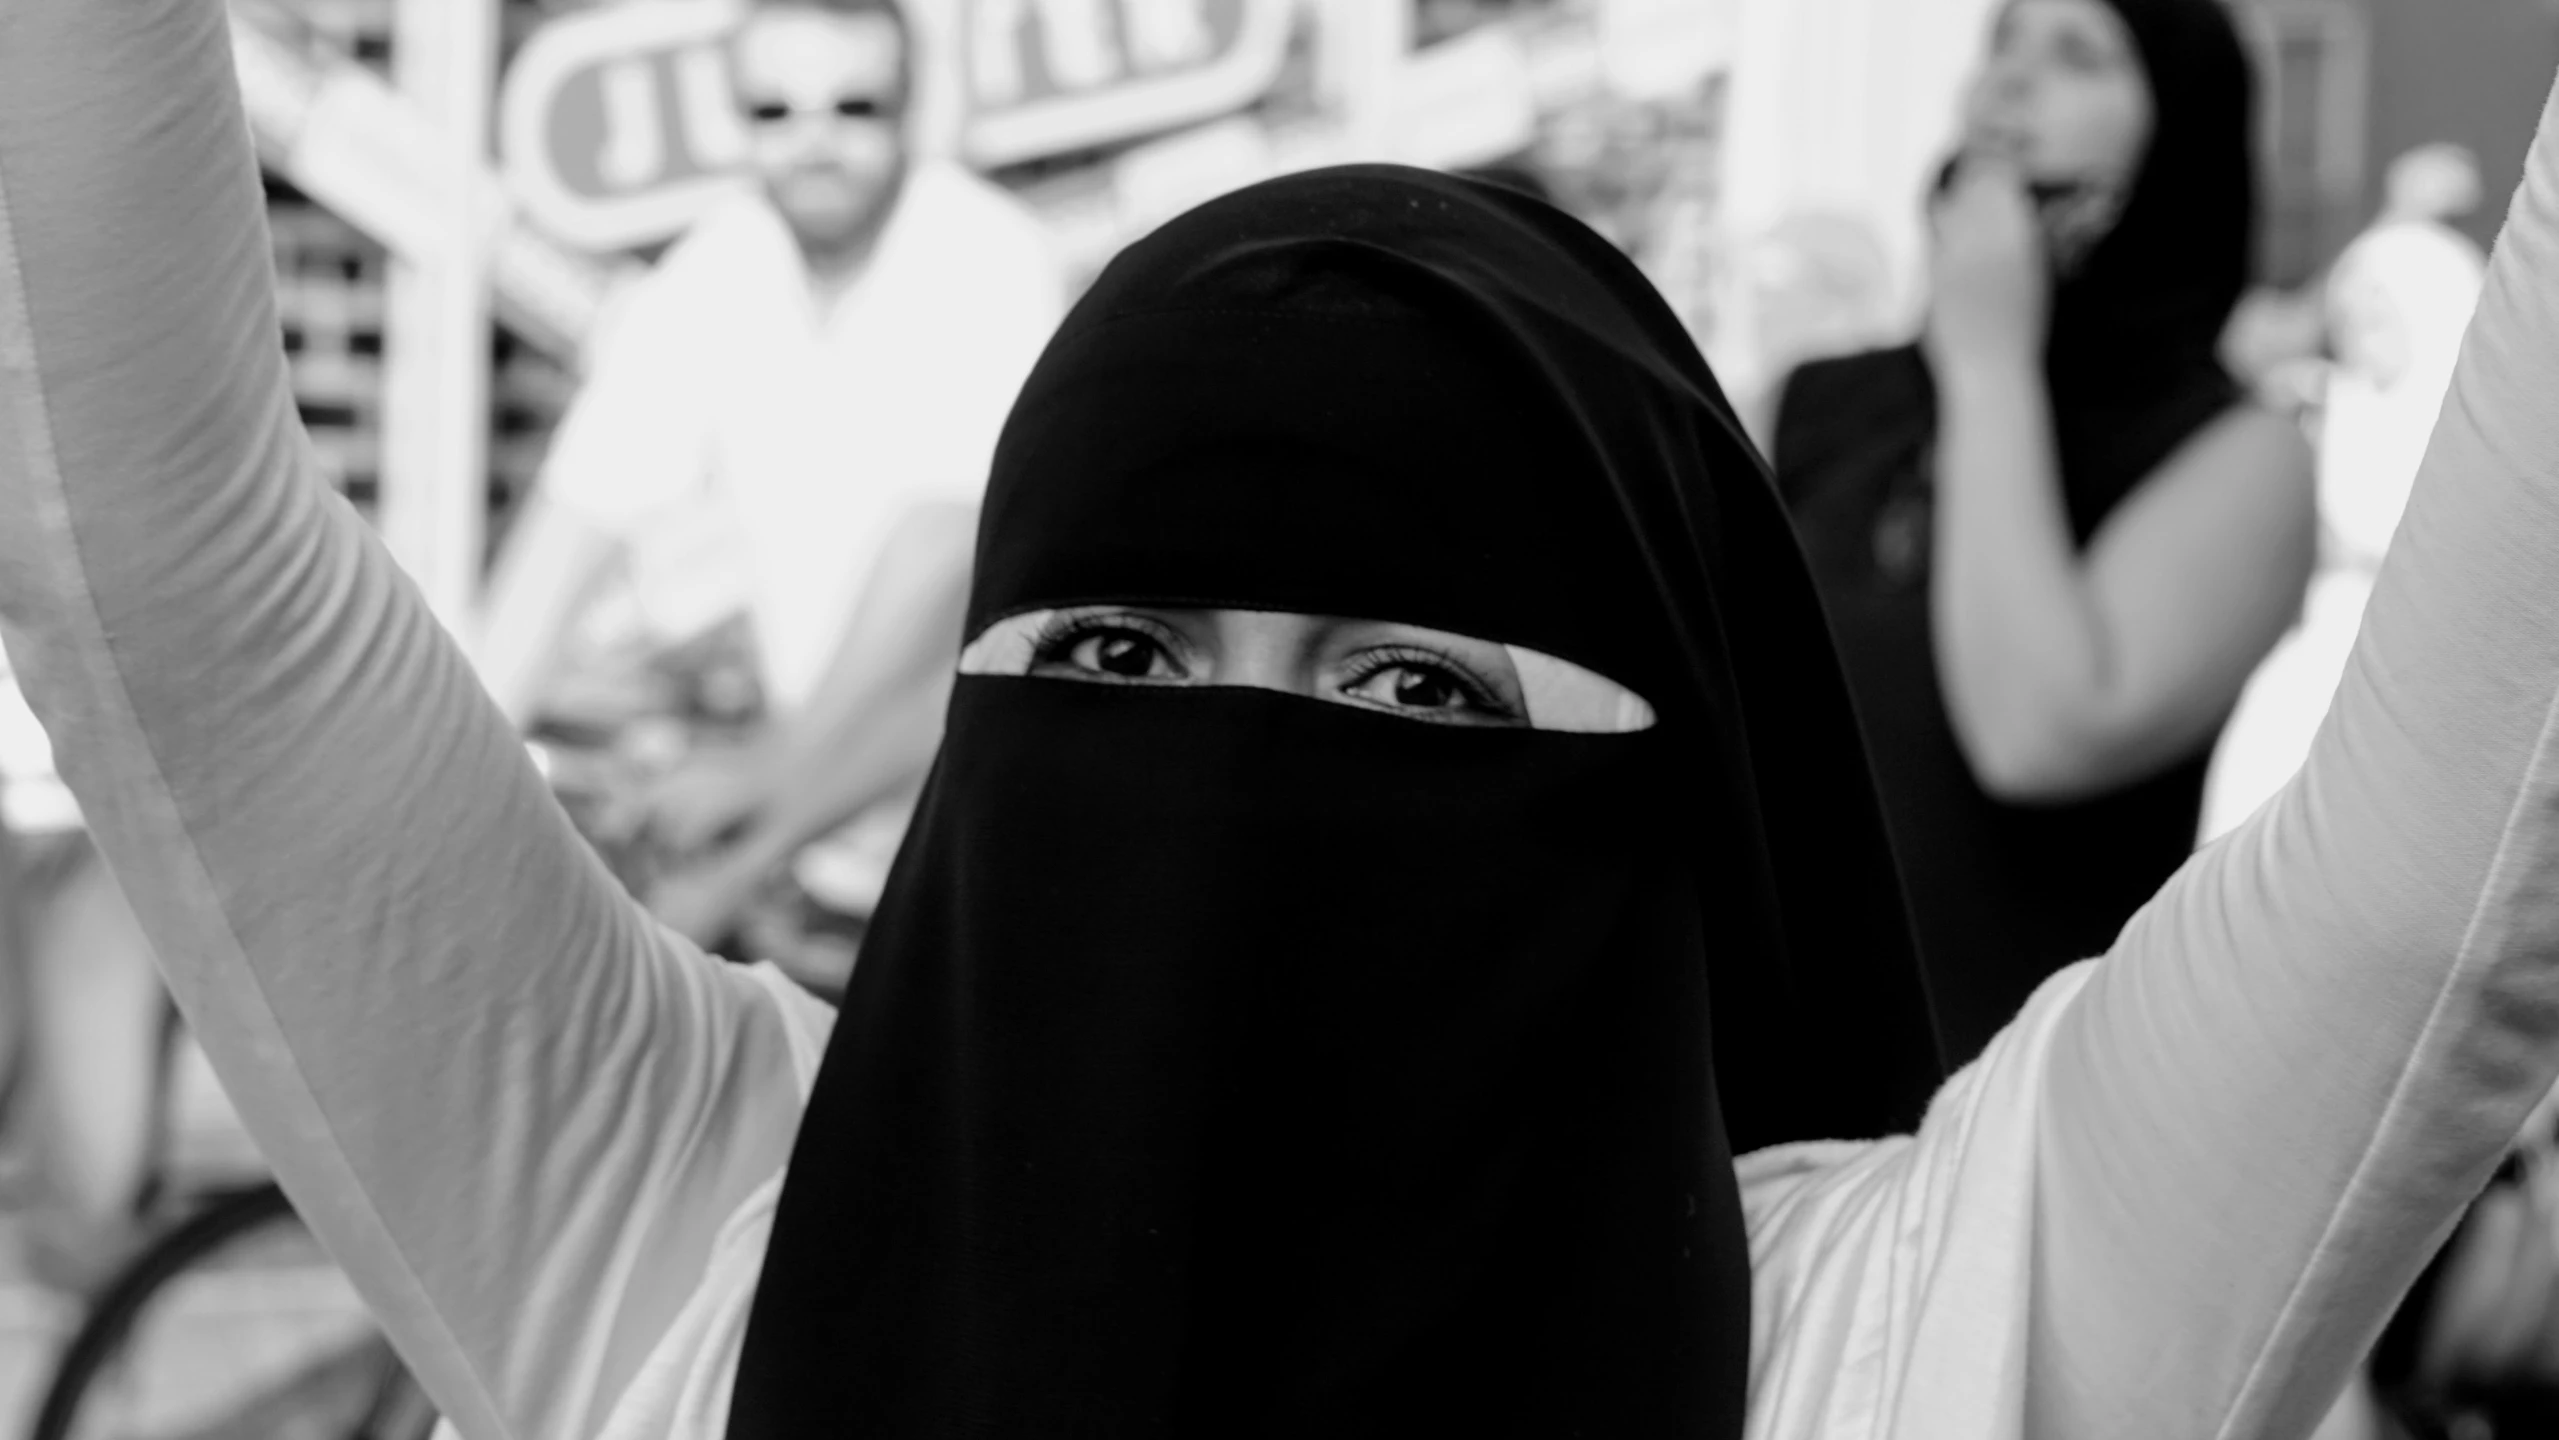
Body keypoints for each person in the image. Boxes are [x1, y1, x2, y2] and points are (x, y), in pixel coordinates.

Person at [18, 4, 2559, 1438]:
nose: (1229, 787)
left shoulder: (1911, 1326)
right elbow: (158, 581)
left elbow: (2429, 878)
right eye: (1117, 659)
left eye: (1414, 686)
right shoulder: (684, 1236)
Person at [1771, 0, 2317, 1068]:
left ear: (2181, 143)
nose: (2007, 85)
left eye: (2077, 56)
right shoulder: (1820, 407)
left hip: (2007, 1136)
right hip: (1753, 1099)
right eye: (2000, 47)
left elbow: (2037, 735)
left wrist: (1987, 364)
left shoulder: (2239, 454)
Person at [472, 0, 1065, 939]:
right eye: (774, 112)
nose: (813, 142)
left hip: (993, 849)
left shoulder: (987, 255)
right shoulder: (715, 272)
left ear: (911, 108)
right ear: (736, 120)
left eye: (853, 107)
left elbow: (945, 571)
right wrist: (453, 762)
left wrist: (767, 792)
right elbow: (574, 528)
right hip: (826, 847)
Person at [2204, 145, 2489, 841]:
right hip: (2308, 660)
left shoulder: (2468, 441)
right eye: (2354, 308)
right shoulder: (2315, 403)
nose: (2361, 326)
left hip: (2412, 675)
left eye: (2380, 308)